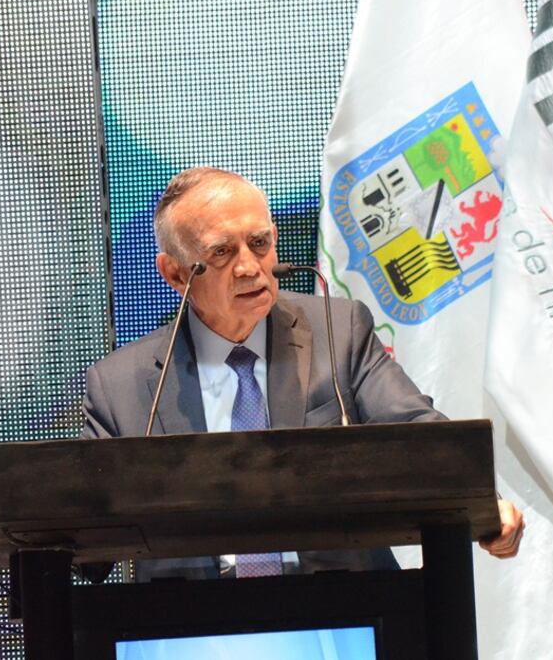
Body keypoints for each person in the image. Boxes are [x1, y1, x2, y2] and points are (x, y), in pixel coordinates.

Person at [81, 167, 524, 580]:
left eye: (259, 243)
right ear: (175, 273)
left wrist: (486, 506)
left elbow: (420, 434)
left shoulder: (339, 330)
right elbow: (84, 545)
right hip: (194, 623)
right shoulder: (123, 385)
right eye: (221, 252)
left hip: (346, 606)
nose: (250, 267)